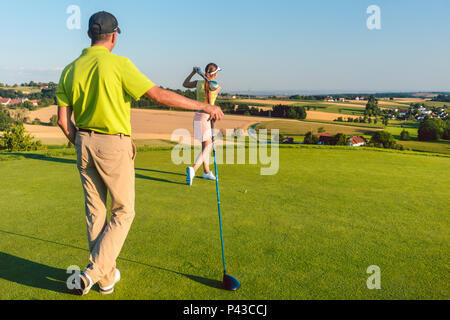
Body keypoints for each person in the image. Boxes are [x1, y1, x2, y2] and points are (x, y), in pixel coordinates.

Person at [56, 11, 223, 295]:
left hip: (82, 142)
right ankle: (92, 274)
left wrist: (81, 143)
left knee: (95, 213)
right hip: (113, 144)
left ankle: (106, 280)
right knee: (124, 211)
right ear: (114, 35)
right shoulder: (119, 64)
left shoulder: (70, 69)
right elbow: (158, 94)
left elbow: (62, 119)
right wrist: (205, 107)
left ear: (88, 35)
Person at [183, 63, 222, 186]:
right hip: (206, 117)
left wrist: (193, 72)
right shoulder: (217, 86)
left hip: (197, 116)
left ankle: (206, 171)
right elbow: (213, 87)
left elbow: (185, 84)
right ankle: (193, 169)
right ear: (214, 74)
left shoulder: (198, 83)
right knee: (208, 146)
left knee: (205, 145)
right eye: (217, 72)